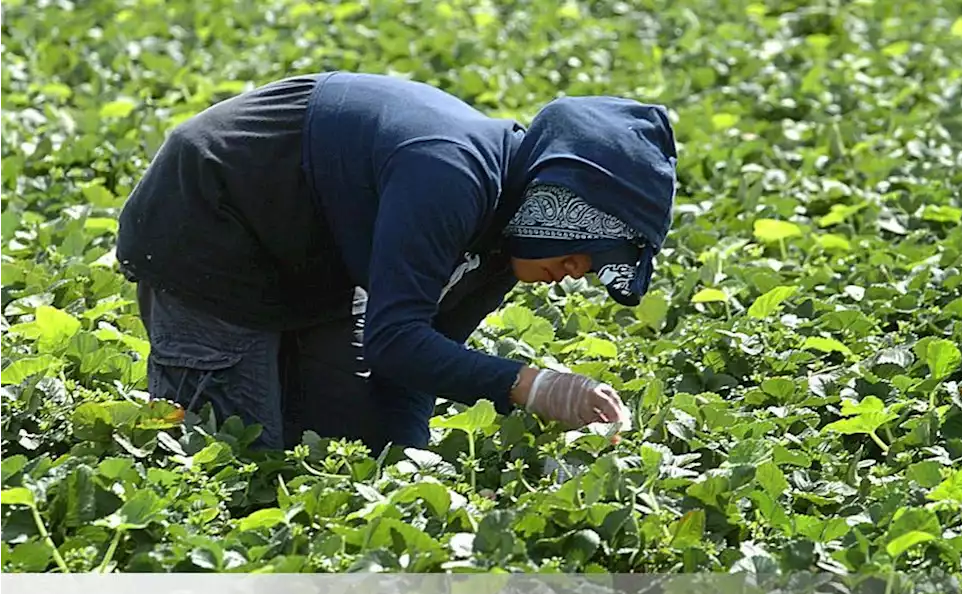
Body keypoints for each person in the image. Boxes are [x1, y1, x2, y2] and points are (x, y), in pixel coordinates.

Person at [114, 71, 677, 452]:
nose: (579, 270)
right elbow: (394, 340)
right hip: (213, 220)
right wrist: (540, 388)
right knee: (233, 451)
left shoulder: (510, 238)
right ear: (554, 205)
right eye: (583, 249)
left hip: (310, 264)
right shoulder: (450, 175)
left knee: (355, 438)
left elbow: (420, 353)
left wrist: (409, 468)